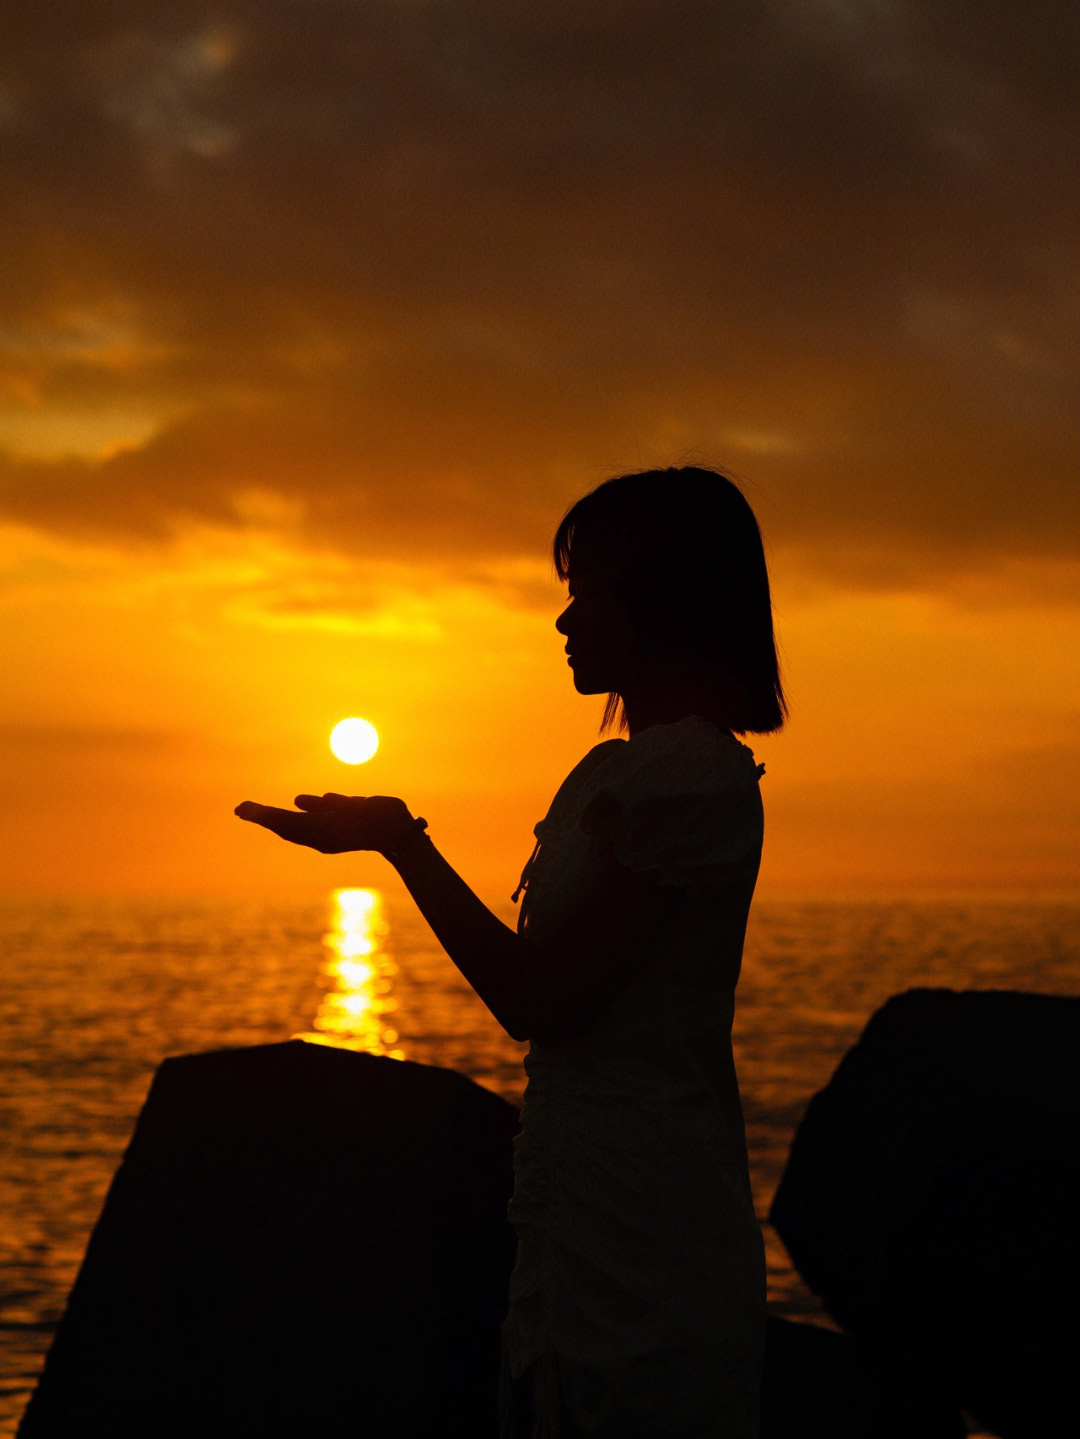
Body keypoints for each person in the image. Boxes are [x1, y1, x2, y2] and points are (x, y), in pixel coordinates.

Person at [236, 466, 786, 1437]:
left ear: (661, 596)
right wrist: (397, 841)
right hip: (592, 1196)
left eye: (585, 592)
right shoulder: (629, 771)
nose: (567, 620)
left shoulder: (688, 777)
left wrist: (402, 845)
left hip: (644, 1222)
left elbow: (540, 999)